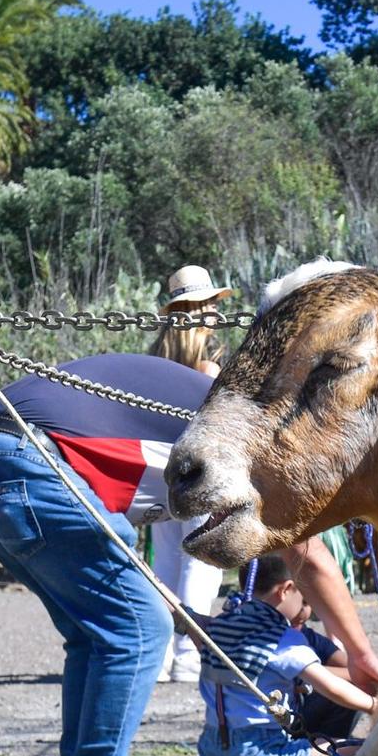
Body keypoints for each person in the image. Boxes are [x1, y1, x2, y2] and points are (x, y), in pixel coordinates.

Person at [0, 352, 211, 756]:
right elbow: (307, 561)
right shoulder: (248, 423)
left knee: (97, 635)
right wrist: (359, 654)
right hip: (23, 452)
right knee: (138, 627)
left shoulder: (208, 401)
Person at [197, 553, 376, 756]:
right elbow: (334, 689)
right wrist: (376, 705)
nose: (308, 609)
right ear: (286, 590)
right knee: (354, 751)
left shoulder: (222, 625)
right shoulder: (282, 637)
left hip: (211, 754)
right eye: (305, 600)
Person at [147, 265, 234, 683]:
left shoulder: (154, 358)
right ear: (201, 310)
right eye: (213, 306)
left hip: (156, 470)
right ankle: (188, 654)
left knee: (164, 560)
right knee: (201, 562)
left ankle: (160, 655)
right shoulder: (209, 365)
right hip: (196, 472)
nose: (217, 315)